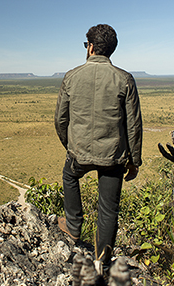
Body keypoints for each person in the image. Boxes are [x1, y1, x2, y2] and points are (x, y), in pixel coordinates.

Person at [54, 24, 143, 270]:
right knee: (108, 208)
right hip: (113, 157)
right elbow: (134, 125)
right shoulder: (125, 79)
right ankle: (102, 261)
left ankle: (73, 225)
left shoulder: (71, 76)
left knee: (70, 175)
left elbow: (60, 120)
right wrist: (134, 160)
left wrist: (71, 146)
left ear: (91, 47)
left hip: (79, 153)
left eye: (86, 45)